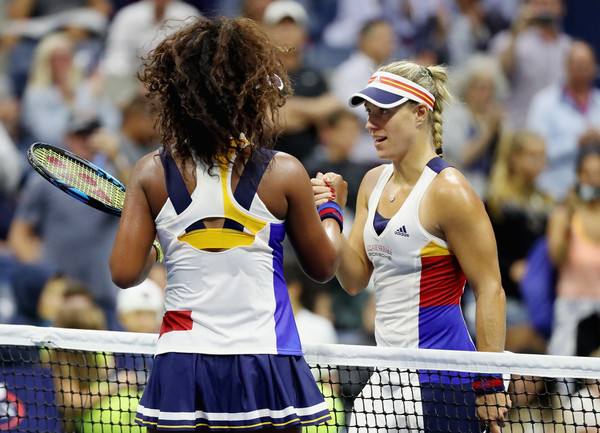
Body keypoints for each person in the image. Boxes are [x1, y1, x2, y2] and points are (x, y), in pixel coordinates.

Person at [109, 16, 346, 432]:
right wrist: (333, 210)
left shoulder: (149, 172)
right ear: (250, 93)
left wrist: (162, 245)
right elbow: (324, 267)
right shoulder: (285, 172)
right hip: (266, 356)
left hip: (183, 359)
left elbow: (126, 274)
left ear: (177, 94)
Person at [311, 60, 510, 432]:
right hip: (384, 379)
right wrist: (332, 213)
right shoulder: (372, 182)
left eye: (384, 113)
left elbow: (491, 289)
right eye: (370, 113)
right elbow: (353, 280)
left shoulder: (450, 191)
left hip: (444, 380)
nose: (371, 124)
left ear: (420, 112)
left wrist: (490, 385)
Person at [526, 40, 600, 201]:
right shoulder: (544, 102)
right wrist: (575, 143)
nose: (582, 69)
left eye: (586, 64)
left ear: (595, 68)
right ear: (566, 66)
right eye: (577, 64)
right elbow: (532, 153)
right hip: (554, 193)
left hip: (596, 197)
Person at [546, 144, 600, 359]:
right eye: (586, 173)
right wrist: (569, 218)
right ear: (578, 176)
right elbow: (556, 258)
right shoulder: (562, 215)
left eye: (598, 174)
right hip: (571, 309)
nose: (592, 180)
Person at [489, 0, 571, 129]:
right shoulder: (508, 40)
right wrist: (516, 32)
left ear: (561, 8)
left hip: (557, 129)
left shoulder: (569, 47)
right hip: (519, 126)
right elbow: (500, 75)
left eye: (551, 4)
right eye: (541, 4)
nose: (546, 9)